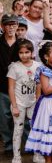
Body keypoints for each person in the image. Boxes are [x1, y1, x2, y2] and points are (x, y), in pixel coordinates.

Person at [7, 39, 44, 163]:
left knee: (36, 128)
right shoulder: (14, 67)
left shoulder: (38, 66)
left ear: (32, 52)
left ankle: (37, 154)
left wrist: (38, 101)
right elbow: (11, 88)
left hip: (33, 102)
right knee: (18, 130)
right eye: (21, 53)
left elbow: (39, 84)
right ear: (17, 53)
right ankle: (16, 158)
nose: (24, 55)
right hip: (19, 103)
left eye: (27, 52)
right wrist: (14, 106)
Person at [0, 13, 18, 154]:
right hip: (2, 86)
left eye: (13, 24)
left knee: (23, 117)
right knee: (5, 117)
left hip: (20, 87)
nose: (10, 27)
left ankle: (24, 144)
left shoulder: (23, 43)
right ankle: (8, 145)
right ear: (2, 26)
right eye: (7, 24)